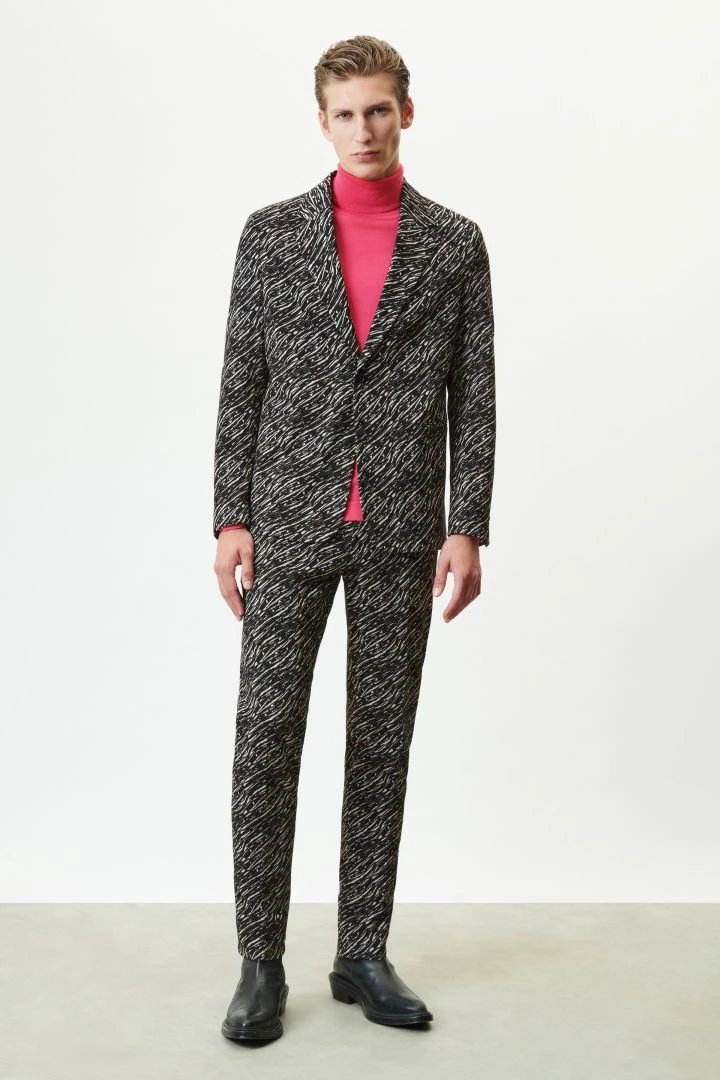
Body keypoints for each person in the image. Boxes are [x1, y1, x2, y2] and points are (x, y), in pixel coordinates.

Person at [213, 34, 496, 1042]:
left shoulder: (454, 244)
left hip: (403, 527)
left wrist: (468, 525)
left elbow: (476, 394)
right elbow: (241, 382)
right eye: (346, 113)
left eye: (379, 109)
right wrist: (231, 517)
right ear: (322, 122)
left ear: (405, 112)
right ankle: (259, 959)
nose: (364, 129)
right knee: (266, 738)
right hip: (288, 517)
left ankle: (362, 951)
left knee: (381, 743)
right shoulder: (272, 235)